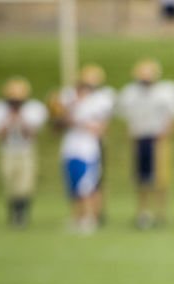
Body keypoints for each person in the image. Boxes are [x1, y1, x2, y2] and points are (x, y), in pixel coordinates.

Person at [118, 59, 174, 229]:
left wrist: (167, 131)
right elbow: (126, 115)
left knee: (160, 178)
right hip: (139, 137)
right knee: (141, 178)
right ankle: (143, 212)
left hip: (157, 138)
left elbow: (172, 116)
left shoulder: (165, 92)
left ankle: (160, 213)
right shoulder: (131, 93)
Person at [53, 64, 115, 234]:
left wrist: (81, 122)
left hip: (88, 148)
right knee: (73, 185)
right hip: (71, 146)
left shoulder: (102, 100)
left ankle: (91, 217)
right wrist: (71, 108)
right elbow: (58, 122)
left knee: (87, 186)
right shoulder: (70, 98)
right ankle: (78, 216)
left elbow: (100, 128)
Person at [0, 77, 48, 228]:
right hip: (7, 150)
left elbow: (31, 134)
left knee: (25, 184)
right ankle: (14, 214)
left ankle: (23, 214)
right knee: (10, 183)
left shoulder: (33, 109)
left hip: (26, 150)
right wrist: (9, 120)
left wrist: (21, 119)